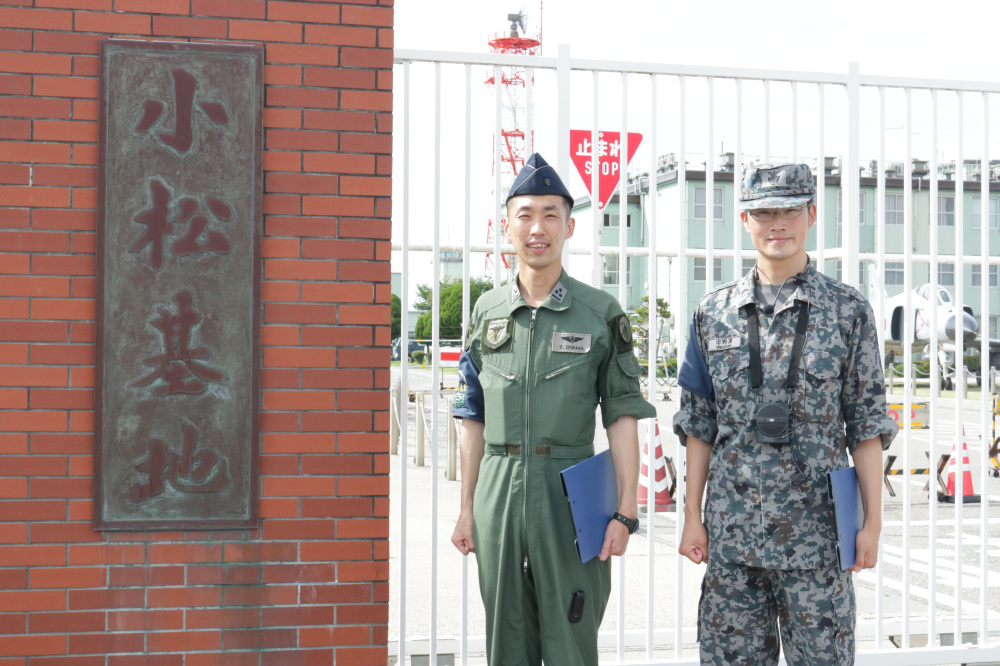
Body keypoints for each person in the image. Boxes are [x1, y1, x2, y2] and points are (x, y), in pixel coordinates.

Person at [673, 163, 898, 664]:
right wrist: (691, 516)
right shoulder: (713, 313)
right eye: (764, 211)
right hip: (733, 540)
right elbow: (698, 424)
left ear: (812, 214)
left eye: (790, 210)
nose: (778, 223)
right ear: (745, 219)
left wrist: (872, 525)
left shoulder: (848, 311)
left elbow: (866, 425)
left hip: (818, 540)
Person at [450, 152, 657, 665]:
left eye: (549, 215)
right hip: (498, 488)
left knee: (571, 636)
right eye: (525, 214)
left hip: (571, 491)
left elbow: (622, 415)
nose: (536, 227)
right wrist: (467, 508)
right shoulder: (487, 311)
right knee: (505, 638)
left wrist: (626, 509)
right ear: (507, 225)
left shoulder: (599, 313)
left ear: (569, 225)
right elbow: (471, 414)